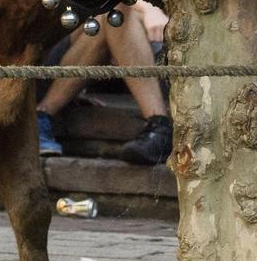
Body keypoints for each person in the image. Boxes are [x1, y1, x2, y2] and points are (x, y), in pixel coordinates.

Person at [35, 8, 174, 165]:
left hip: (159, 55)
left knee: (114, 15)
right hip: (51, 58)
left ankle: (159, 129)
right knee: (114, 13)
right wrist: (150, 10)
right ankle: (159, 125)